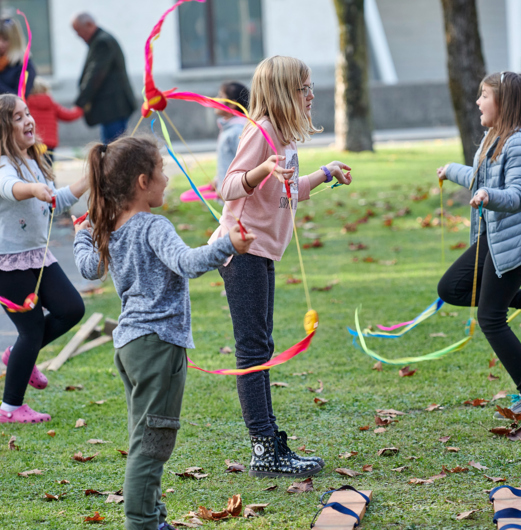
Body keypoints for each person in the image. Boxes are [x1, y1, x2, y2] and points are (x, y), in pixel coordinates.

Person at [73, 136, 255, 530]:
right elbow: (187, 263)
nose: (167, 178)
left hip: (131, 347)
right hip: (157, 346)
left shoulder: (112, 228)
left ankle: (155, 518)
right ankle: (141, 523)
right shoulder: (153, 226)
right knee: (151, 445)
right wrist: (229, 245)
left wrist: (83, 232)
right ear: (143, 181)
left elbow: (89, 268)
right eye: (161, 171)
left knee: (146, 437)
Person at [215, 56, 352, 477]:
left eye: (311, 88)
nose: (311, 96)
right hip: (243, 251)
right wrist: (260, 169)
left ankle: (270, 443)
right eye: (303, 89)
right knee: (253, 351)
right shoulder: (261, 132)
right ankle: (264, 450)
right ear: (281, 93)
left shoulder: (283, 138)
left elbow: (288, 192)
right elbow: (229, 185)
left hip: (262, 252)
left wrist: (325, 174)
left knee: (262, 347)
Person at [437, 71, 521, 420]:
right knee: (451, 288)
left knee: (490, 317)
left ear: (502, 102)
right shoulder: (495, 137)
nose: (478, 102)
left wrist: (489, 196)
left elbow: (518, 196)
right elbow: (482, 177)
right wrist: (452, 171)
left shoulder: (519, 142)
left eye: (485, 95)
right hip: (499, 235)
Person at [0, 94, 89, 423]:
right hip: (3, 261)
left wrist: (88, 181)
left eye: (28, 113)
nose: (29, 120)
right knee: (31, 330)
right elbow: (10, 188)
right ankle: (10, 408)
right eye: (18, 117)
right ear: (3, 129)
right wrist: (32, 189)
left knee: (72, 308)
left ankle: (18, 354)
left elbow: (53, 201)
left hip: (35, 255)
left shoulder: (32, 160)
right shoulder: (2, 164)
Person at [72, 13, 137, 144]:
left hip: (113, 109)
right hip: (112, 109)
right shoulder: (101, 40)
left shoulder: (102, 42)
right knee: (116, 148)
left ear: (89, 25)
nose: (78, 36)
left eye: (78, 31)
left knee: (114, 150)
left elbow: (95, 75)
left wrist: (81, 102)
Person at [27, 77, 83, 162]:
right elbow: (69, 115)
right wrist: (81, 108)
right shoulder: (52, 104)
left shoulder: (27, 104)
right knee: (48, 169)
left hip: (33, 142)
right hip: (49, 144)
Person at [214, 81, 250, 191]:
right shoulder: (228, 128)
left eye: (220, 96)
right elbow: (229, 161)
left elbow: (246, 166)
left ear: (232, 103)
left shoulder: (237, 131)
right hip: (229, 191)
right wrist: (218, 181)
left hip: (237, 194)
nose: (215, 99)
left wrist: (233, 188)